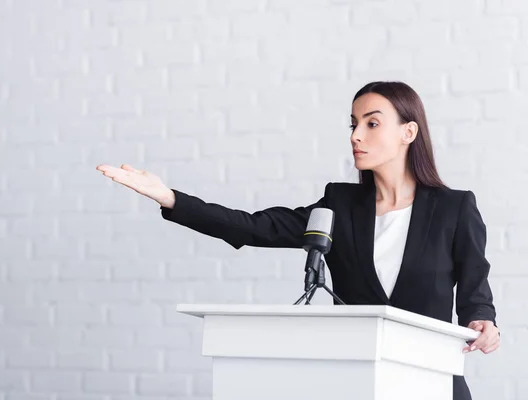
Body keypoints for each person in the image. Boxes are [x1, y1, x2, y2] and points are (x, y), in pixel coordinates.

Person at [96, 80, 499, 400]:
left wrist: (482, 320)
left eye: (372, 123)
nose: (356, 135)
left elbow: (475, 288)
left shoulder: (453, 208)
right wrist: (170, 197)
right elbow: (253, 227)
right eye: (353, 124)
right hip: (356, 384)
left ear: (408, 132)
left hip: (433, 384)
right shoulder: (339, 206)